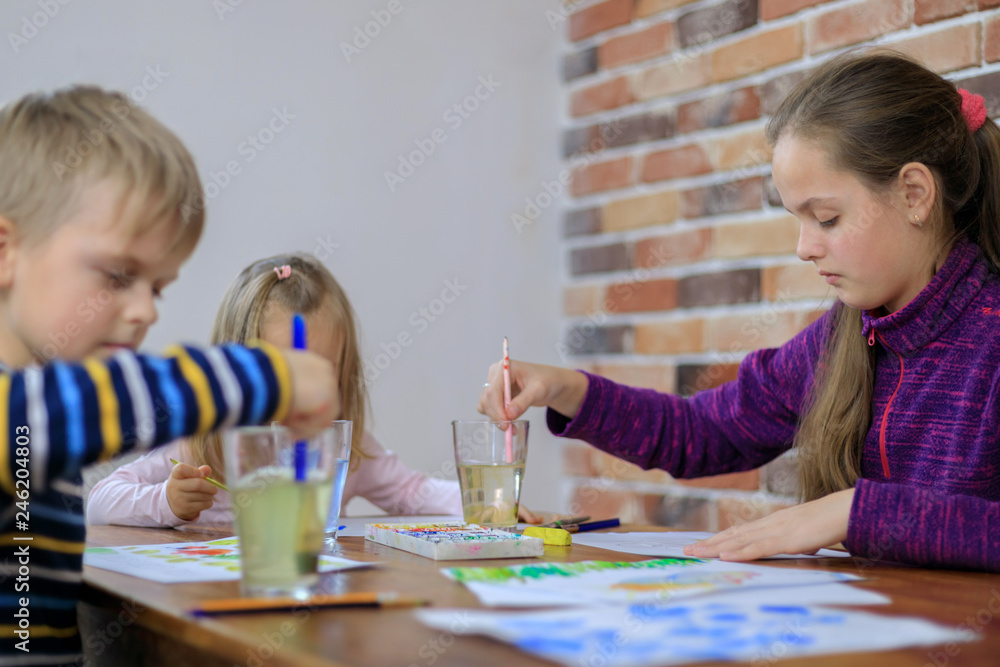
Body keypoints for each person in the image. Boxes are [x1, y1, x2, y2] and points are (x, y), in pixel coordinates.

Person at [480, 50, 1000, 572]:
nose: (804, 248)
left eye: (827, 218)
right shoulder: (844, 337)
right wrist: (566, 389)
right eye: (799, 219)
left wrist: (856, 511)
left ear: (914, 193)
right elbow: (705, 432)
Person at [0, 86, 337, 665]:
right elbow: (50, 411)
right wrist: (269, 374)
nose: (147, 311)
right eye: (117, 274)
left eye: (157, 287)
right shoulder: (30, 415)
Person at [88, 254, 541, 525]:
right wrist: (165, 502)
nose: (299, 394)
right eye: (280, 373)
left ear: (342, 373)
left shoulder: (346, 446)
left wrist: (489, 503)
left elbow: (413, 492)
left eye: (318, 373)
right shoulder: (200, 441)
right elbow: (100, 502)